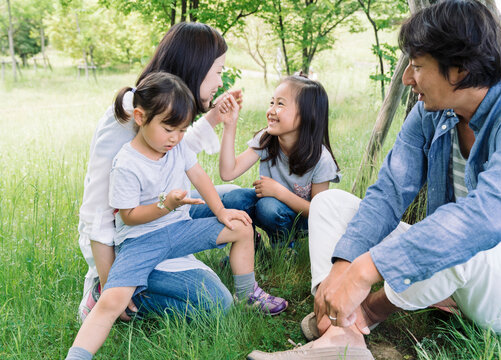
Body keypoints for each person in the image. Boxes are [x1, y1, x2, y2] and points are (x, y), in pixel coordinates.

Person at [248, 1, 501, 359]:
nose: (407, 79)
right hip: (450, 274)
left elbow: (489, 217)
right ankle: (340, 334)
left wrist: (366, 272)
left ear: (460, 69)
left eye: (417, 66)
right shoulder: (431, 113)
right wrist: (344, 267)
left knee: (468, 233)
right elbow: (388, 192)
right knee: (329, 203)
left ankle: (366, 314)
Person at [66, 72, 288, 360]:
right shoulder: (126, 163)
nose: (175, 138)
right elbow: (130, 216)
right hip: (140, 241)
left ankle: (247, 295)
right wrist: (166, 205)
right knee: (111, 302)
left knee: (241, 227)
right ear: (140, 117)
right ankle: (78, 355)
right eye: (169, 129)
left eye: (182, 130)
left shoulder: (177, 147)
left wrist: (221, 212)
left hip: (179, 228)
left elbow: (199, 176)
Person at [77, 22, 246, 323]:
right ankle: (110, 294)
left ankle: (218, 265)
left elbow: (174, 150)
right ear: (196, 66)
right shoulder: (131, 112)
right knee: (217, 305)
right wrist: (110, 281)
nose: (220, 81)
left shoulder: (168, 111)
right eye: (218, 71)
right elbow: (97, 207)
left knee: (241, 200)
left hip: (170, 215)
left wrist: (215, 117)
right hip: (137, 237)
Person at [217, 75, 341, 246]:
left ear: (306, 114)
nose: (271, 110)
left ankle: (285, 251)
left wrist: (279, 192)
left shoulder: (321, 158)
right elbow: (228, 172)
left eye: (280, 104)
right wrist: (230, 125)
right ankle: (251, 247)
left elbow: (318, 211)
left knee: (268, 206)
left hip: (301, 220)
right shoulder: (267, 140)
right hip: (270, 205)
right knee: (233, 199)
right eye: (271, 102)